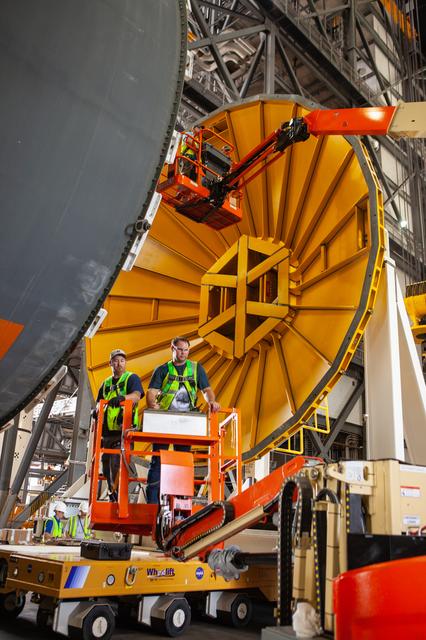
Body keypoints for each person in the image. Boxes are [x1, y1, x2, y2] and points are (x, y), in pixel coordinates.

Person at [145, 336, 220, 504]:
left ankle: (180, 503)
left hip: (186, 422)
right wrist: (152, 404)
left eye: (186, 350)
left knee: (183, 461)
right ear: (172, 349)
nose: (183, 353)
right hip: (164, 421)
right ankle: (152, 503)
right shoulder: (163, 370)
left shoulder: (196, 369)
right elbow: (151, 392)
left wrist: (212, 401)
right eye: (180, 349)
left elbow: (206, 390)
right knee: (158, 460)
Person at [96, 349, 144, 502]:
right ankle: (112, 493)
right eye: (116, 361)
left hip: (124, 430)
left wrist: (123, 398)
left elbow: (136, 396)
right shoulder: (106, 383)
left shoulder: (131, 378)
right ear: (110, 363)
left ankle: (117, 496)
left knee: (117, 462)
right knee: (106, 464)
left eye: (122, 361)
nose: (119, 364)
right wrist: (96, 411)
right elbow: (99, 402)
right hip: (108, 432)